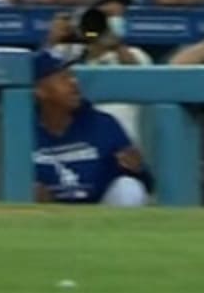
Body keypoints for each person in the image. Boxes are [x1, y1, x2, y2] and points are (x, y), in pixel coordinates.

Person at [28, 49, 149, 206]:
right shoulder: (21, 128)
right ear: (39, 90)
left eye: (73, 76)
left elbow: (146, 184)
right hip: (44, 215)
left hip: (99, 212)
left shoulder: (103, 124)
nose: (74, 83)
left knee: (129, 187)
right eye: (63, 78)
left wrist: (138, 169)